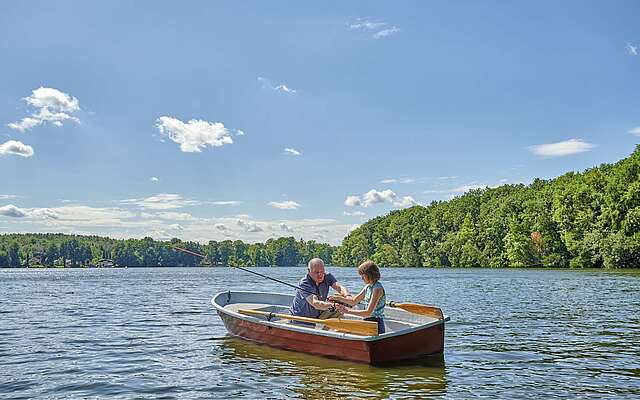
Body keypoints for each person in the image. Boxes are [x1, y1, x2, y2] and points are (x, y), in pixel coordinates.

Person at [331, 260, 386, 334]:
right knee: (338, 330)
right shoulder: (368, 287)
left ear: (369, 274)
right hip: (367, 322)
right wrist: (337, 298)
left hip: (376, 325)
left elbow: (368, 313)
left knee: (341, 331)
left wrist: (347, 311)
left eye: (362, 276)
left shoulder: (377, 289)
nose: (362, 278)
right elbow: (353, 301)